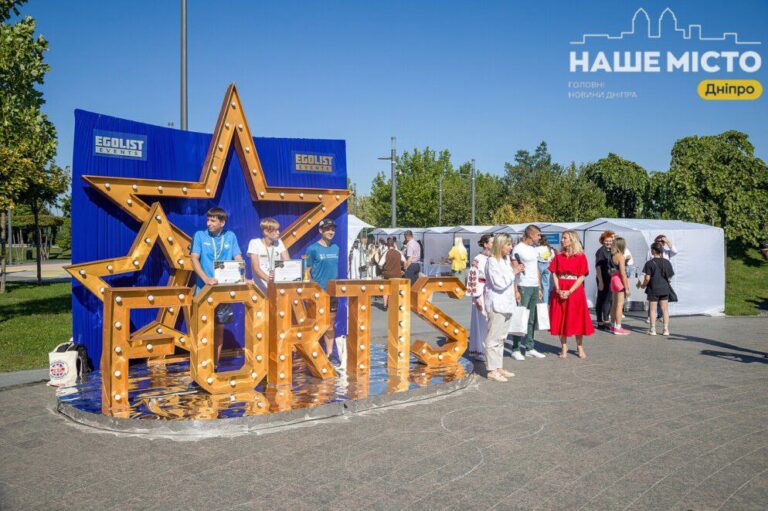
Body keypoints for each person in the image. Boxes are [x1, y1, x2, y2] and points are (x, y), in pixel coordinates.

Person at [190, 207, 243, 365]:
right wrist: (206, 278)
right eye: (208, 220)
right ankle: (200, 366)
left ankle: (214, 365)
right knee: (202, 329)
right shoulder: (200, 235)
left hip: (223, 292)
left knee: (219, 329)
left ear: (222, 222)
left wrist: (242, 276)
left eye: (213, 221)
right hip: (204, 291)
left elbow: (238, 257)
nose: (209, 223)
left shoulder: (230, 236)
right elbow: (194, 259)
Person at [549, 230, 594, 358]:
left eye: (565, 238)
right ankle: (564, 346)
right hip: (560, 289)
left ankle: (579, 347)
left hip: (575, 290)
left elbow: (582, 276)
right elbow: (554, 273)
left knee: (577, 318)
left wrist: (570, 291)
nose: (562, 240)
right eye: (562, 238)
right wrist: (558, 289)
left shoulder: (580, 256)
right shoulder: (558, 256)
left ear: (572, 240)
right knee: (560, 318)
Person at [483, 234, 519, 382]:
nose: (511, 247)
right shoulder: (492, 261)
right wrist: (513, 272)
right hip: (497, 304)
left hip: (507, 304)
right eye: (508, 244)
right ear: (500, 245)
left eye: (511, 244)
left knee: (501, 337)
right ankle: (492, 370)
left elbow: (509, 281)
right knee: (493, 338)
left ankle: (498, 366)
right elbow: (498, 283)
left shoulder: (505, 260)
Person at [510, 225, 546, 360]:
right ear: (530, 234)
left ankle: (529, 347)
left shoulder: (533, 249)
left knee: (532, 318)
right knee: (520, 317)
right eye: (538, 235)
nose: (539, 237)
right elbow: (514, 270)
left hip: (534, 286)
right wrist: (515, 290)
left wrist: (539, 287)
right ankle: (515, 348)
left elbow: (536, 268)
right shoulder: (518, 249)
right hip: (523, 286)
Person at [305, 219, 340, 358]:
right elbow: (306, 271)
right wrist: (312, 289)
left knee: (330, 324)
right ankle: (314, 354)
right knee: (316, 324)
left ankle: (329, 353)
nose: (331, 232)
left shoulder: (336, 247)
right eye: (327, 229)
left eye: (333, 229)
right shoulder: (312, 249)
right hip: (318, 293)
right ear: (321, 231)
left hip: (332, 292)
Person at [466, 234, 493, 361]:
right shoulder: (478, 259)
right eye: (492, 242)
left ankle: (489, 350)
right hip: (481, 290)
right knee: (481, 320)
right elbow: (472, 276)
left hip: (491, 290)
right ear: (486, 244)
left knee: (490, 321)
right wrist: (476, 296)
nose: (494, 245)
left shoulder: (494, 258)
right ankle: (479, 350)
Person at [641, 242, 675, 336]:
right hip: (664, 288)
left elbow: (647, 278)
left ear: (653, 250)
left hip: (653, 288)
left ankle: (653, 330)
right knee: (665, 310)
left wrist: (643, 285)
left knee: (653, 310)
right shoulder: (667, 262)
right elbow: (670, 277)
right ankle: (666, 330)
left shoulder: (649, 263)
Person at [247, 217, 289, 292]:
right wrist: (269, 280)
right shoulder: (255, 243)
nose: (278, 233)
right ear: (266, 232)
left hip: (277, 287)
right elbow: (255, 267)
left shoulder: (279, 242)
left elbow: (287, 262)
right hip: (260, 289)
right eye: (275, 230)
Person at [609, 237, 631, 335]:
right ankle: (618, 327)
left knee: (614, 304)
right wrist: (626, 288)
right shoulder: (620, 256)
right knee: (620, 305)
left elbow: (615, 268)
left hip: (613, 279)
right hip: (619, 280)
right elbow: (622, 273)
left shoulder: (612, 255)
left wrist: (625, 261)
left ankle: (613, 325)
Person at [594, 230, 615, 330]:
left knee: (608, 299)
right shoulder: (600, 251)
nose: (608, 243)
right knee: (602, 299)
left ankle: (606, 319)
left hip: (610, 278)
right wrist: (601, 282)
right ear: (602, 241)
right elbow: (598, 268)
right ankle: (600, 321)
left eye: (610, 241)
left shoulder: (612, 250)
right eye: (606, 241)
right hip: (602, 278)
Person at [378, 238, 404, 308]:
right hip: (397, 275)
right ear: (394, 245)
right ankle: (395, 303)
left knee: (386, 289)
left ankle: (385, 304)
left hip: (388, 274)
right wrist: (403, 269)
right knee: (396, 290)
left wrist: (382, 269)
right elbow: (404, 261)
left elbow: (380, 264)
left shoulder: (386, 253)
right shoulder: (399, 253)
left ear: (388, 245)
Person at [537, 237, 556, 304]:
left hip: (539, 264)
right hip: (548, 265)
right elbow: (553, 258)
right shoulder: (550, 249)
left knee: (537, 284)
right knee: (546, 285)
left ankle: (538, 302)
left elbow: (535, 257)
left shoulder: (536, 248)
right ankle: (545, 302)